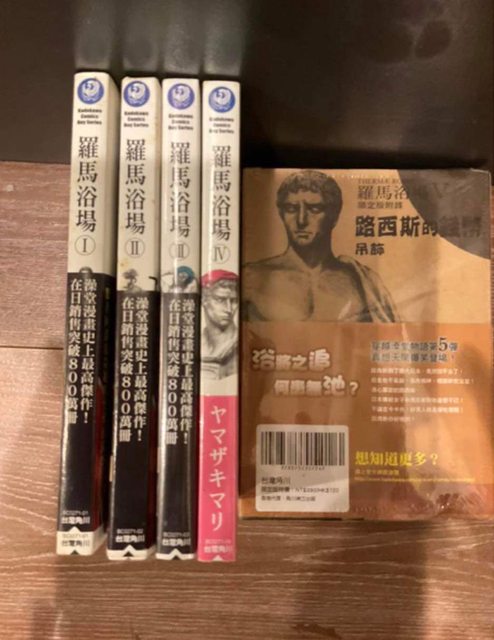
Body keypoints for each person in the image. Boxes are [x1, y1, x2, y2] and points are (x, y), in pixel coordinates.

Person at [243, 170, 399, 322]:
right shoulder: (252, 277)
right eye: (291, 209)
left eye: (314, 209)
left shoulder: (363, 282)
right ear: (281, 213)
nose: (301, 220)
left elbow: (391, 334)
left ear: (334, 215)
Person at [201, 270, 238, 380]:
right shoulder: (196, 341)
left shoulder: (244, 342)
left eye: (234, 301)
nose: (229, 309)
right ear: (204, 300)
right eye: (220, 300)